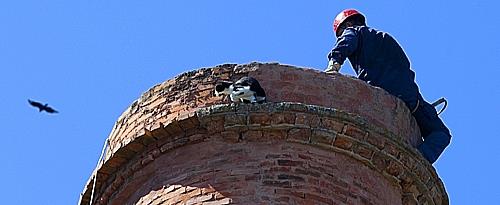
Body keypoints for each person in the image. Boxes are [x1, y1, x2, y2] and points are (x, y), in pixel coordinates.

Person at [325, 9, 451, 164]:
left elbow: (346, 43)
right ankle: (418, 160)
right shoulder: (386, 38)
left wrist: (334, 65)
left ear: (348, 24)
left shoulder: (353, 32)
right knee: (441, 133)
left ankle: (412, 161)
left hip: (381, 91)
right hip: (411, 98)